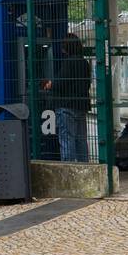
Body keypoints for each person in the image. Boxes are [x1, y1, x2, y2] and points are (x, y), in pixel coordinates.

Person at [51, 34, 91, 162]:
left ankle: (68, 171)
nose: (62, 48)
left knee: (67, 140)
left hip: (67, 106)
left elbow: (60, 82)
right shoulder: (84, 63)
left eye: (63, 45)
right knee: (81, 141)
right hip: (81, 106)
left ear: (67, 47)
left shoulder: (68, 62)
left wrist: (50, 83)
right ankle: (84, 170)